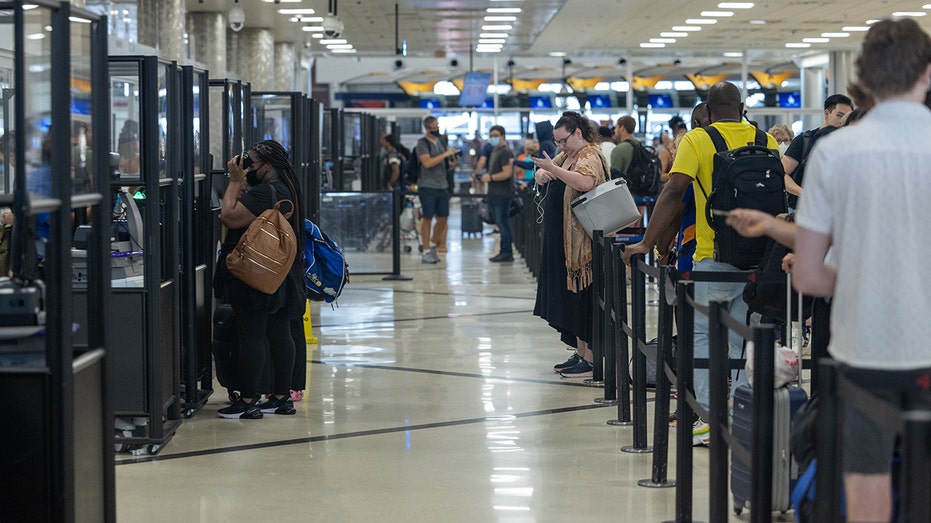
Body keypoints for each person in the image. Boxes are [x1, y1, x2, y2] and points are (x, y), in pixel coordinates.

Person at [790, 19, 931, 522]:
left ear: (863, 78)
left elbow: (807, 276)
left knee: (867, 488)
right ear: (927, 73)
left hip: (864, 353)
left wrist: (865, 281)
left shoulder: (835, 151)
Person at [622, 82, 779, 445]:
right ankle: (744, 414)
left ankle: (709, 416)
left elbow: (674, 191)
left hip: (712, 254)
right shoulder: (766, 139)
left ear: (708, 109)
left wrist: (647, 241)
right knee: (744, 338)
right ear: (741, 107)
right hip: (758, 255)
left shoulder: (697, 140)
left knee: (705, 337)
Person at [216, 140, 304, 419]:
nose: (247, 167)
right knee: (279, 331)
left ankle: (249, 399)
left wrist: (233, 180)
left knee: (250, 334)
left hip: (253, 273)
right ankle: (281, 397)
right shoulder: (285, 188)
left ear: (267, 166)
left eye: (251, 163)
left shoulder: (266, 192)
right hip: (279, 273)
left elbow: (229, 217)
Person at [531, 112, 608, 377]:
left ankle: (591, 357)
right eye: (558, 142)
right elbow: (547, 169)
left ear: (578, 132)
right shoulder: (567, 156)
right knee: (570, 298)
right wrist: (542, 173)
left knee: (582, 299)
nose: (560, 146)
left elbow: (586, 182)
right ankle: (580, 351)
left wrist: (551, 170)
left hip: (582, 245)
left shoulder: (589, 154)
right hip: (563, 241)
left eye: (564, 140)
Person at [782, 94, 853, 207]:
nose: (842, 121)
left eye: (847, 118)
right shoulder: (805, 140)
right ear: (826, 113)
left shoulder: (851, 144)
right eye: (839, 115)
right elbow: (781, 174)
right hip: (802, 209)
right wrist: (804, 193)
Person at [415, 116, 459, 262]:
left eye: (437, 126)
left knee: (443, 217)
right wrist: (445, 154)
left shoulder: (440, 141)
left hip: (442, 184)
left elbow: (444, 164)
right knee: (427, 218)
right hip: (427, 185)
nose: (436, 129)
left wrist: (452, 161)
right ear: (427, 128)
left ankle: (432, 242)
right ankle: (426, 249)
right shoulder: (422, 144)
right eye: (433, 127)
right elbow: (427, 163)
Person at [477, 125, 515, 262]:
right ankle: (503, 251)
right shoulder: (495, 151)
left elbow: (507, 173)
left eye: (496, 135)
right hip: (495, 193)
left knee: (502, 223)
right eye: (491, 135)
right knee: (500, 222)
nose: (493, 137)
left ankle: (506, 252)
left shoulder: (505, 152)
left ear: (502, 135)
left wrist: (490, 177)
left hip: (502, 193)